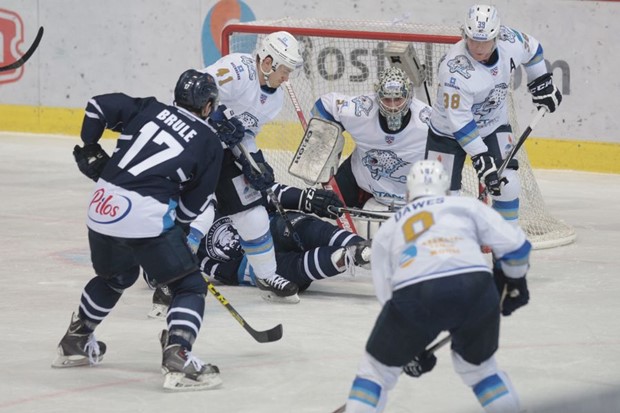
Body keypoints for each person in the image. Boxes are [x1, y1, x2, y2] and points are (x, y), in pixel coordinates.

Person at [52, 69, 245, 392]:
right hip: (145, 214)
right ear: (208, 106)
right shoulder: (210, 141)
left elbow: (96, 106)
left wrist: (90, 146)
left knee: (116, 277)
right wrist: (178, 232)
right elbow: (194, 201)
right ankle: (178, 357)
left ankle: (76, 339)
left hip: (102, 203)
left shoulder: (149, 109)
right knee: (188, 285)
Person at [341, 160, 532, 413]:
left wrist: (411, 346)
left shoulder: (390, 227)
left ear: (408, 194)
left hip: (416, 293)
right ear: (446, 190)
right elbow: (517, 248)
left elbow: (389, 298)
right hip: (476, 287)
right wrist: (515, 282)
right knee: (482, 371)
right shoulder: (465, 206)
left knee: (376, 372)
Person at [426, 4, 562, 226]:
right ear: (464, 35)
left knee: (507, 184)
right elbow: (460, 122)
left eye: (485, 41)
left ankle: (506, 248)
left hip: (493, 124)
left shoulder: (510, 41)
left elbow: (534, 49)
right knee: (439, 201)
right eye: (472, 40)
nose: (478, 48)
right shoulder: (454, 70)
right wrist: (481, 157)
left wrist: (542, 83)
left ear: (497, 36)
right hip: (447, 133)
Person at [148, 183, 372, 318]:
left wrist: (303, 198)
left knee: (304, 227)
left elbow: (261, 189)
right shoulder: (164, 225)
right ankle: (347, 257)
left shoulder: (208, 185)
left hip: (268, 228)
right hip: (248, 268)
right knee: (290, 270)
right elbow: (151, 275)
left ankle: (366, 250)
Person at [200, 31, 306, 303]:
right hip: (194, 149)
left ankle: (266, 274)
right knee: (199, 213)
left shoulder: (275, 99)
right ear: (268, 62)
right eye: (285, 70)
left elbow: (245, 135)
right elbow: (195, 90)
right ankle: (168, 274)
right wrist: (215, 118)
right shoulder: (237, 69)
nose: (287, 77)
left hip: (223, 154)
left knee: (254, 213)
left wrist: (257, 163)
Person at [311, 66, 431, 237]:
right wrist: (321, 142)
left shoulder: (427, 120)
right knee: (326, 205)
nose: (393, 107)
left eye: (398, 99)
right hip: (364, 183)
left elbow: (454, 142)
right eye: (387, 99)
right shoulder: (361, 110)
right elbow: (324, 105)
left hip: (411, 193)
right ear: (377, 96)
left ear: (409, 96)